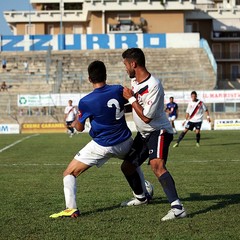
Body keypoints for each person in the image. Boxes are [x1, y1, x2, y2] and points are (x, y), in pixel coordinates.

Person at [49, 60, 147, 218]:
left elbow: (80, 128)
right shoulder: (118, 89)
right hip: (125, 141)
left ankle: (71, 208)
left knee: (69, 173)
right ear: (105, 75)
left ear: (89, 79)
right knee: (132, 165)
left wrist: (76, 122)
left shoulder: (86, 101)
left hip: (102, 145)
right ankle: (142, 195)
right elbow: (129, 105)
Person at [120, 48, 186, 221]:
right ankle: (141, 198)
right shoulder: (135, 82)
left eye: (126, 65)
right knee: (127, 167)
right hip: (143, 134)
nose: (125, 68)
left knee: (157, 166)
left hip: (159, 131)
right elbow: (134, 106)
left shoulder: (154, 85)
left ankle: (178, 208)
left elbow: (147, 117)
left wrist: (131, 98)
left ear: (133, 64)